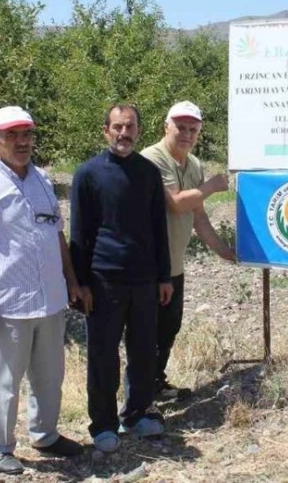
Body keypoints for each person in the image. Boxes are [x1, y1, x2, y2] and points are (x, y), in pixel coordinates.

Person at [0, 106, 89, 475]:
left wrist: (72, 281)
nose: (22, 141)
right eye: (11, 135)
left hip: (50, 300)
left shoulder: (43, 180)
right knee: (4, 382)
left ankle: (45, 435)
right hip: (7, 303)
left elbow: (56, 234)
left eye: (26, 134)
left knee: (49, 376)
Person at [70, 104, 173, 453]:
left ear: (138, 132)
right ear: (105, 131)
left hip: (144, 279)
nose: (123, 133)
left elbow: (159, 228)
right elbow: (78, 233)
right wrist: (80, 284)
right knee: (103, 354)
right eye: (117, 127)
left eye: (129, 127)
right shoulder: (88, 174)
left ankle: (137, 414)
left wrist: (164, 276)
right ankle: (103, 424)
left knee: (143, 350)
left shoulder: (148, 173)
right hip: (103, 280)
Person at [140, 101, 236, 401]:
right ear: (166, 127)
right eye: (180, 127)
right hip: (148, 264)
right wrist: (212, 186)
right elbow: (176, 202)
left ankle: (155, 384)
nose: (186, 134)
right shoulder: (151, 159)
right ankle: (139, 399)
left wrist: (224, 251)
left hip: (174, 265)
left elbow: (198, 215)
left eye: (192, 129)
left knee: (168, 328)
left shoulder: (193, 164)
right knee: (146, 333)